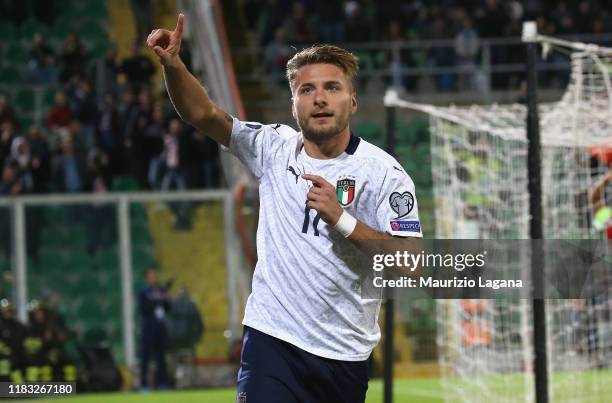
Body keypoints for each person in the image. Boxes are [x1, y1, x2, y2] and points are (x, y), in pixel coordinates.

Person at [147, 14, 422, 402]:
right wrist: (173, 65)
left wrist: (343, 219)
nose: (320, 98)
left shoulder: (384, 174)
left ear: (352, 101)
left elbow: (411, 263)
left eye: (332, 87)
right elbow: (203, 114)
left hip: (343, 354)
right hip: (272, 340)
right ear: (294, 105)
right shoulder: (273, 148)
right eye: (307, 90)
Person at [138, 266, 171, 390]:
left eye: (154, 276)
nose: (153, 278)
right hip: (148, 328)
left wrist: (167, 299)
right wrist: (157, 298)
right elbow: (144, 308)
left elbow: (167, 308)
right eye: (151, 276)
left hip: (160, 328)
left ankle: (163, 383)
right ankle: (144, 384)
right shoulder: (143, 292)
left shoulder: (160, 290)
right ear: (146, 278)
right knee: (145, 357)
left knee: (161, 357)